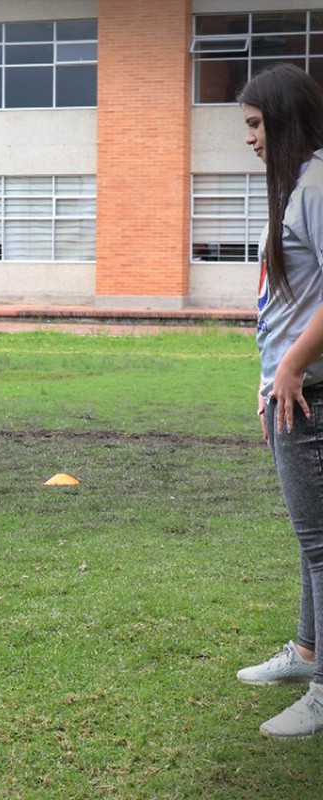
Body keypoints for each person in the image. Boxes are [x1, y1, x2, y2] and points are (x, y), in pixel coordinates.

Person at [233, 63, 323, 737]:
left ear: (285, 120)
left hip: (311, 388)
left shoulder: (318, 184)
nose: (251, 139)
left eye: (257, 124)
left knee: (320, 542)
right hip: (290, 387)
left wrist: (290, 367)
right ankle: (305, 652)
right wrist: (269, 377)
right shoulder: (299, 186)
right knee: (309, 538)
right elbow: (287, 300)